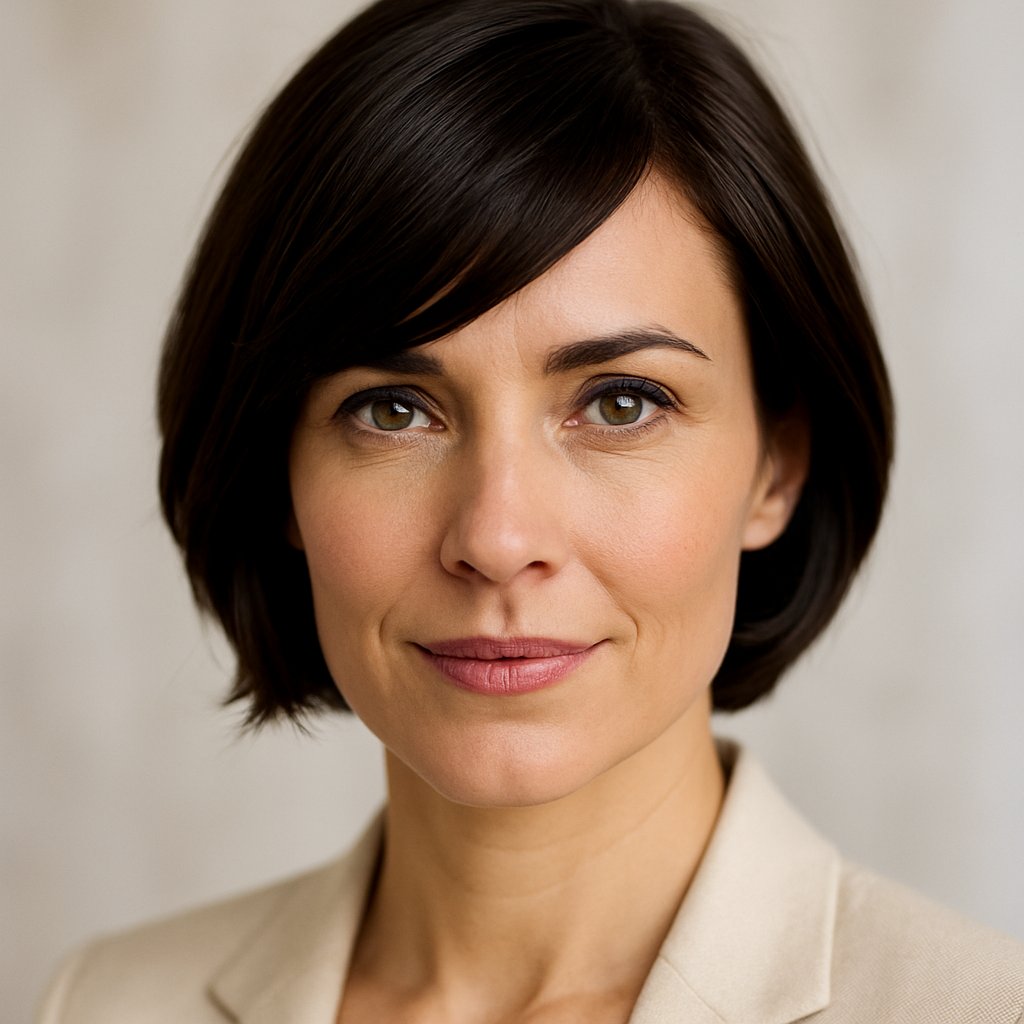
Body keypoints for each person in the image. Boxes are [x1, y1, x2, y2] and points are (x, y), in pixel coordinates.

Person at [37, 0, 1024, 1021]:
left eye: (620, 403)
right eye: (392, 410)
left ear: (774, 467)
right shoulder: (103, 1002)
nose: (498, 538)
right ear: (275, 469)